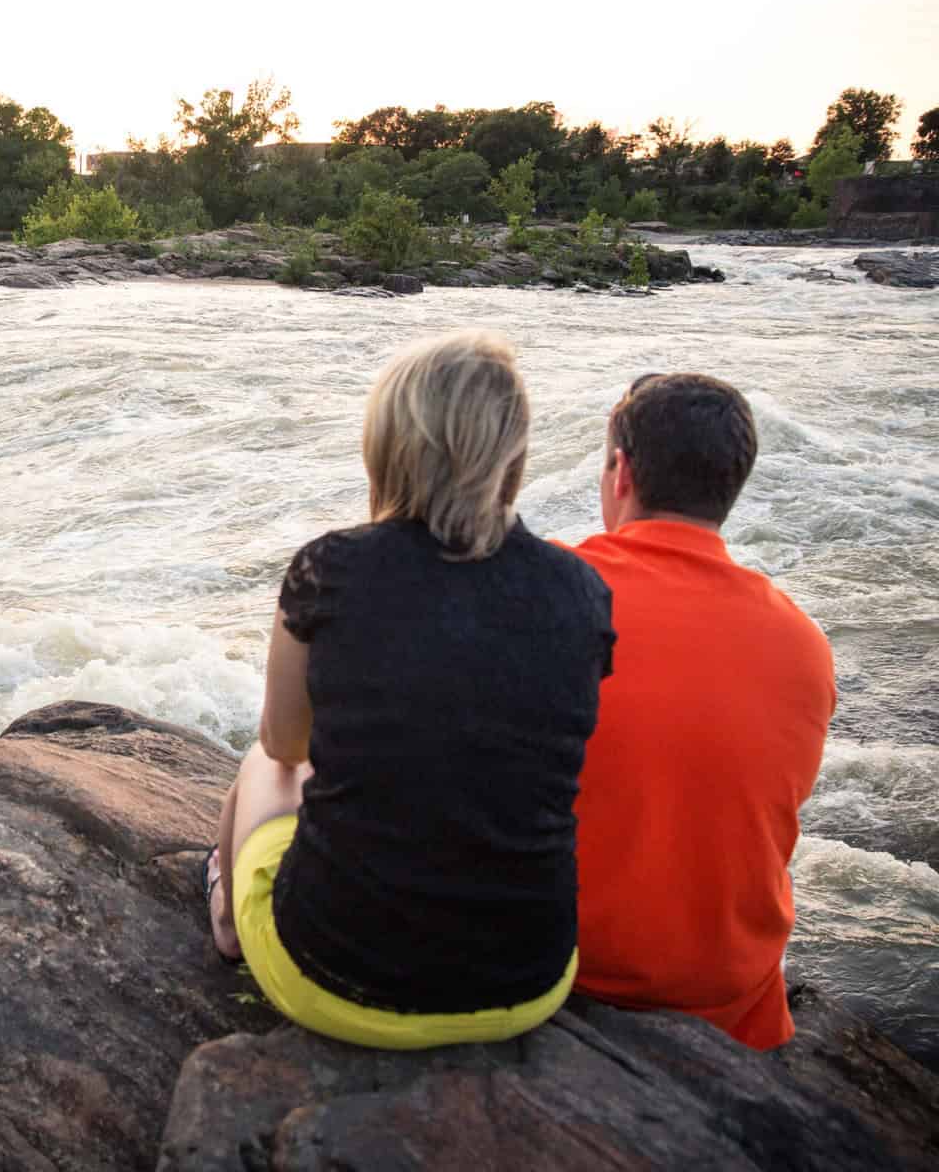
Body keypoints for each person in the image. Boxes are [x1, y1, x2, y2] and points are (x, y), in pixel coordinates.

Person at [206, 329, 615, 1049]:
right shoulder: (581, 589)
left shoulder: (328, 568)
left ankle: (226, 911)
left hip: (334, 975)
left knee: (260, 763)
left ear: (390, 444)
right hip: (529, 983)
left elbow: (286, 743)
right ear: (510, 454)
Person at [569, 373, 834, 1049]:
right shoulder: (804, 643)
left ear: (621, 472)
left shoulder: (548, 590)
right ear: (730, 487)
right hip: (733, 1010)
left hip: (566, 980)